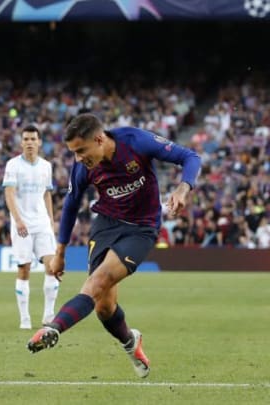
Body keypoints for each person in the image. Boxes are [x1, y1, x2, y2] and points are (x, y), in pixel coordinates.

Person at [27, 113, 200, 378]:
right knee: (103, 306)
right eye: (73, 152)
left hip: (141, 228)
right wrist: (59, 253)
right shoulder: (83, 167)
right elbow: (71, 206)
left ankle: (54, 328)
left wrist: (182, 189)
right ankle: (131, 342)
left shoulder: (136, 141)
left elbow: (190, 157)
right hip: (106, 225)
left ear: (99, 139)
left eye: (81, 150)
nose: (78, 158)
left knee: (98, 281)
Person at [3, 126, 61, 329]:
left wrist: (51, 221)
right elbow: (9, 194)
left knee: (52, 267)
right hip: (22, 224)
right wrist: (18, 220)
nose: (29, 142)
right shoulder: (13, 165)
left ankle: (48, 315)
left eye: (32, 139)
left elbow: (47, 194)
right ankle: (25, 318)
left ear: (39, 142)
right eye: (26, 139)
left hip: (42, 223)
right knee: (24, 269)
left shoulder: (46, 166)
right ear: (21, 143)